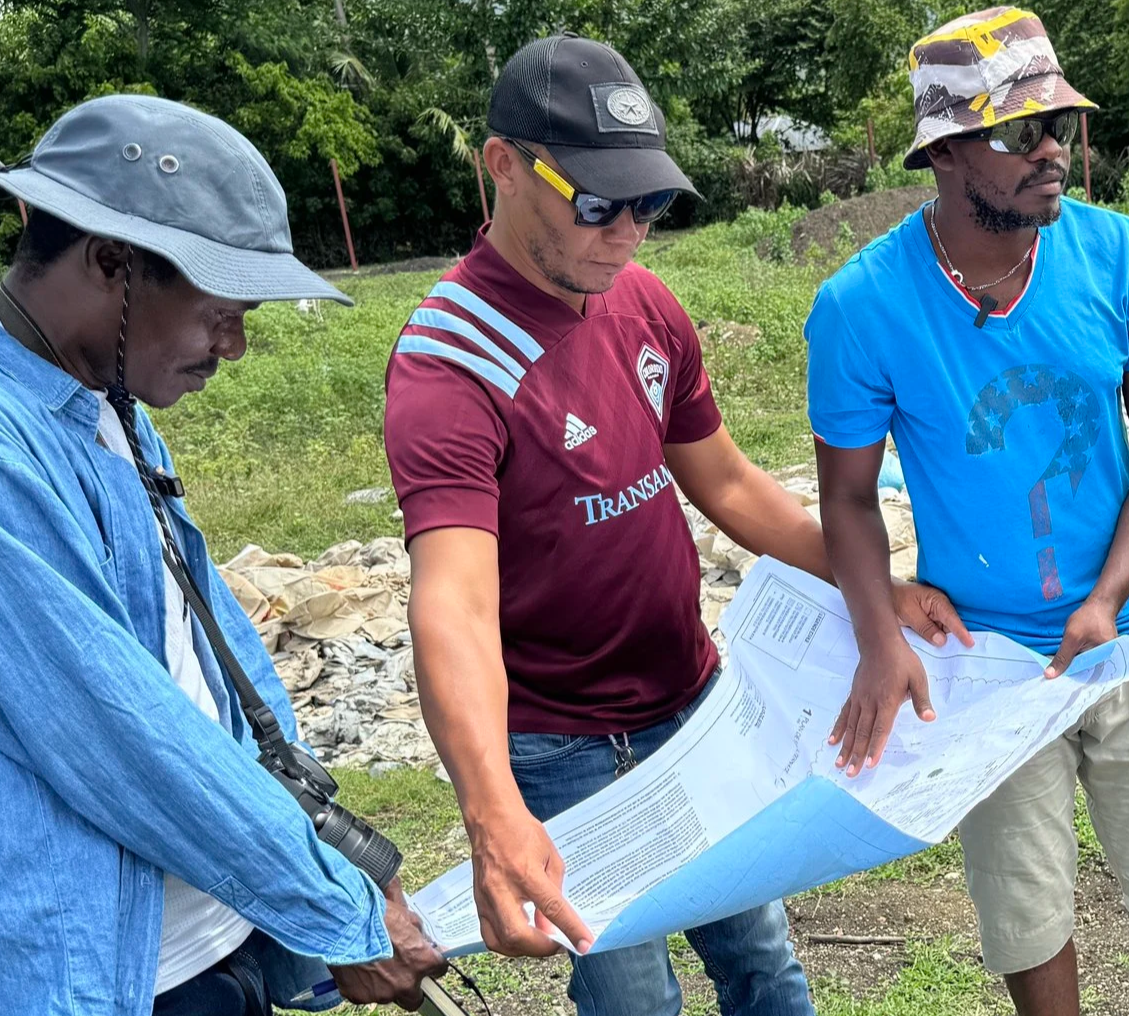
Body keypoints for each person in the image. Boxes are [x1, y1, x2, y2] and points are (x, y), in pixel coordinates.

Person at [0, 94, 446, 1016]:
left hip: (198, 933)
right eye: (223, 310)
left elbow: (207, 653)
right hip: (79, 968)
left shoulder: (104, 409)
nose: (232, 347)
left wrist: (329, 842)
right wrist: (328, 911)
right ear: (111, 262)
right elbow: (113, 726)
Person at [383, 33, 966, 1016]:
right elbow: (451, 600)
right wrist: (491, 813)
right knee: (630, 997)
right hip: (559, 746)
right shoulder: (448, 365)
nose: (628, 233)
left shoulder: (641, 304)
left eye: (648, 203)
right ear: (502, 167)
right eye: (600, 203)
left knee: (763, 965)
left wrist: (873, 589)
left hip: (690, 709)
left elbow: (731, 484)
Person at [806, 8, 1129, 1015]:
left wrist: (1109, 591)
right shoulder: (861, 306)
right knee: (1026, 916)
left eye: (1056, 128)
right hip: (986, 663)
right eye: (1017, 133)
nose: (1049, 155)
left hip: (1121, 636)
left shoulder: (1110, 255)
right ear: (944, 153)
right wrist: (876, 635)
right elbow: (847, 496)